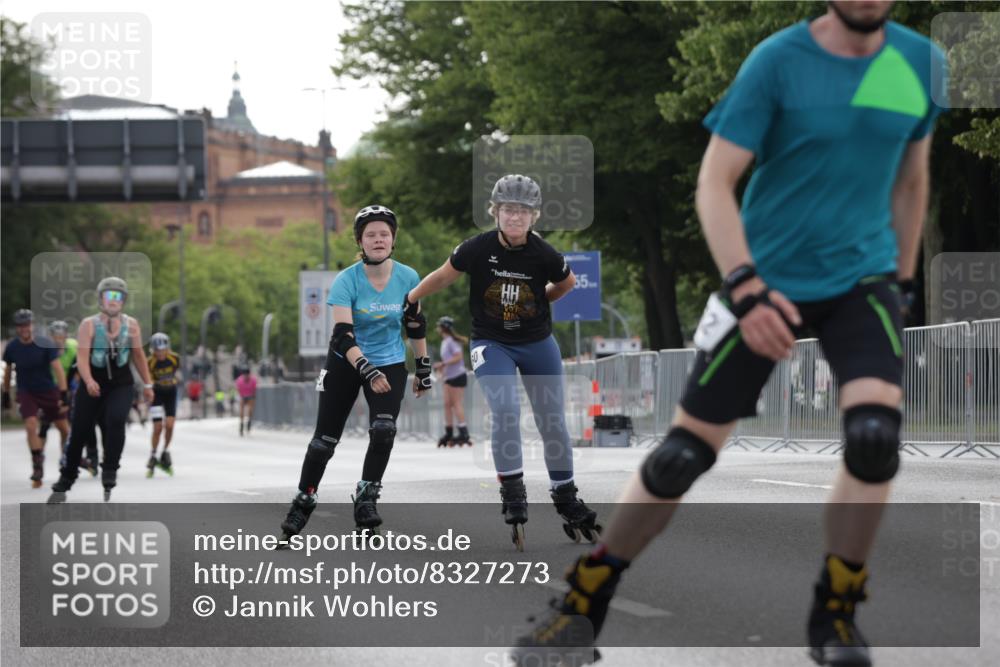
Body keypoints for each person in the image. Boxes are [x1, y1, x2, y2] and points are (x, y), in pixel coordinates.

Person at [512, 3, 946, 666]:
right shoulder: (779, 62)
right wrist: (746, 288)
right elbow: (715, 181)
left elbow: (912, 179)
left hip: (864, 280)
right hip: (764, 277)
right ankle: (584, 598)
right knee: (680, 458)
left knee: (873, 439)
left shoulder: (920, 62)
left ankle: (836, 612)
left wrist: (903, 286)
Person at [406, 174, 599, 550]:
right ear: (495, 212)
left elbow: (567, 283)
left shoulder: (544, 254)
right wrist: (411, 298)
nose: (515, 217)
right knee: (507, 410)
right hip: (492, 343)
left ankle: (565, 496)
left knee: (552, 420)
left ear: (534, 216)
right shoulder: (477, 248)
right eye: (508, 210)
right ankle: (513, 492)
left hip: (537, 342)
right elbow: (444, 276)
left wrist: (540, 298)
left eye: (523, 211)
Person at [278, 205, 432, 539]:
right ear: (360, 242)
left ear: (393, 239)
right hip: (346, 362)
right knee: (324, 442)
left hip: (389, 361)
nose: (378, 240)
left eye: (384, 234)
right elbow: (342, 336)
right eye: (370, 235)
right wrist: (367, 369)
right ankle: (303, 500)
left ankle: (366, 499)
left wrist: (423, 368)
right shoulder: (346, 280)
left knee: (384, 430)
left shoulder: (408, 277)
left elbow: (415, 324)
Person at [48, 277, 155, 502]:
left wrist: (147, 384)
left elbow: (138, 356)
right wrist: (88, 381)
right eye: (109, 296)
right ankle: (66, 478)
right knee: (80, 430)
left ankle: (110, 468)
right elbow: (82, 358)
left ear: (123, 300)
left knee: (116, 420)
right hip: (93, 384)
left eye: (118, 296)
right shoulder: (88, 325)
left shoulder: (132, 325)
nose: (113, 300)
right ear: (100, 299)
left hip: (121, 384)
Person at [1, 309, 70, 488]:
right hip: (26, 392)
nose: (24, 329)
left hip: (48, 390)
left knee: (64, 428)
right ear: (17, 328)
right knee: (31, 425)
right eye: (20, 326)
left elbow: (58, 369)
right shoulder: (12, 347)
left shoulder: (45, 343)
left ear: (32, 325)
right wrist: (6, 394)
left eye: (27, 325)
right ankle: (37, 466)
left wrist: (63, 394)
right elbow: (8, 371)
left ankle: (66, 458)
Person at [40, 320, 98, 476]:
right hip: (50, 388)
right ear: (51, 336)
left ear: (66, 336)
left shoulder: (73, 346)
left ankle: (66, 457)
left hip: (70, 387)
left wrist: (78, 387)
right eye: (55, 336)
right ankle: (38, 459)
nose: (59, 340)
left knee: (72, 424)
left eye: (62, 336)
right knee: (45, 425)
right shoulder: (45, 349)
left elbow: (81, 366)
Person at [146, 332, 181, 477]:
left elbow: (175, 371)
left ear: (167, 348)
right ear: (153, 350)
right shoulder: (149, 362)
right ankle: (153, 454)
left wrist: (171, 381)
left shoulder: (175, 358)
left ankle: (165, 451)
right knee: (158, 427)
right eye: (157, 350)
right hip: (157, 394)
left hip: (171, 392)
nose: (160, 353)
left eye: (162, 350)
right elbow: (148, 379)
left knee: (170, 425)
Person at [433, 316, 471, 447]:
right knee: (447, 404)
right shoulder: (445, 342)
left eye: (439, 326)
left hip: (458, 375)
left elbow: (458, 357)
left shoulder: (451, 341)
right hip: (449, 377)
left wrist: (442, 364)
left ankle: (464, 432)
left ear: (443, 327)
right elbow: (448, 360)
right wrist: (442, 371)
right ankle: (449, 432)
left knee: (456, 404)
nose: (437, 328)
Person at [235, 365, 257, 436]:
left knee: (250, 410)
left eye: (247, 375)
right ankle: (241, 423)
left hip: (250, 396)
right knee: (241, 410)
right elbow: (238, 389)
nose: (246, 376)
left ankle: (249, 420)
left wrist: (253, 396)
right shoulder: (239, 380)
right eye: (245, 375)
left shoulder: (253, 380)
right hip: (242, 396)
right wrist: (240, 396)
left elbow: (254, 389)